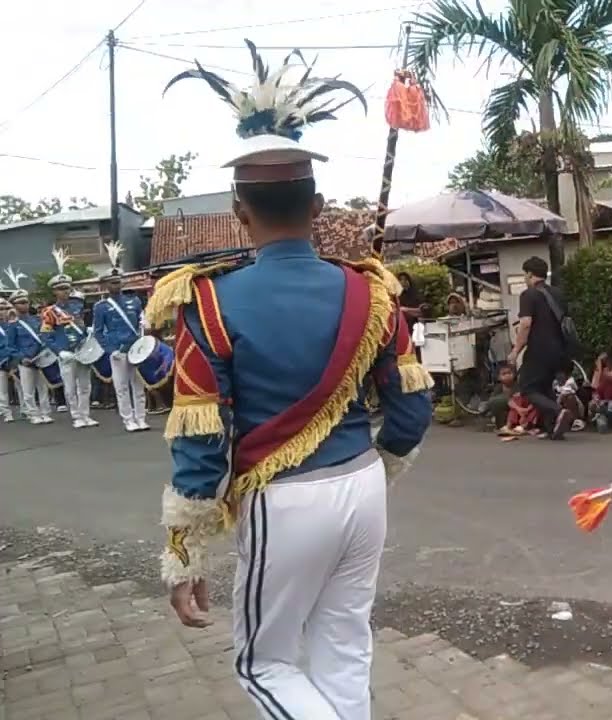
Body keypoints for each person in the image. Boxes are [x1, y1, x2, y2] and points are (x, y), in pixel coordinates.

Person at [153, 47, 432, 720]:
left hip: (283, 503)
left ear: (239, 212)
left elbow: (201, 443)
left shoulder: (209, 302)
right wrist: (379, 464)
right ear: (318, 206)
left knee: (264, 664)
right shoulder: (371, 290)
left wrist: (184, 551)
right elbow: (412, 408)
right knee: (344, 646)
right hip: (364, 485)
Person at [509, 256, 573, 439]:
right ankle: (553, 427)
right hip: (560, 349)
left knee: (528, 388)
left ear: (530, 274)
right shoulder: (558, 294)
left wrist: (516, 350)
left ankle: (558, 411)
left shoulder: (529, 295)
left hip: (539, 349)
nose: (524, 278)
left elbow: (526, 324)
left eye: (524, 274)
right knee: (545, 387)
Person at [41, 259, 97, 428]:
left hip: (82, 350)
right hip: (66, 352)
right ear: (54, 291)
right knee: (70, 386)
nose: (65, 291)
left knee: (85, 385)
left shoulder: (77, 306)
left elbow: (82, 324)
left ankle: (86, 414)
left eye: (67, 288)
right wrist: (59, 351)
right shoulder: (50, 312)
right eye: (61, 289)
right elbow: (45, 336)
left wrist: (88, 331)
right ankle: (76, 415)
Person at [94, 265, 148, 431]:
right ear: (106, 285)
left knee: (138, 384)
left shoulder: (134, 301)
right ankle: (128, 419)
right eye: (112, 283)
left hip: (135, 348)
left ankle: (141, 418)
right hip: (118, 350)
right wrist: (110, 350)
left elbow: (141, 323)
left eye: (118, 282)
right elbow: (98, 332)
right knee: (122, 386)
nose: (115, 285)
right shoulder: (101, 307)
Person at [8, 291, 54, 425]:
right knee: (28, 389)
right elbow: (11, 346)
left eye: (26, 302)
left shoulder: (37, 320)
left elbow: (45, 336)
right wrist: (21, 358)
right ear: (14, 305)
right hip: (26, 360)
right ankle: (33, 413)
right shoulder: (13, 325)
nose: (24, 305)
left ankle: (45, 412)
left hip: (40, 357)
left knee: (43, 387)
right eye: (20, 303)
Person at [483, 362, 517, 430]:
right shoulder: (498, 387)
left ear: (514, 374)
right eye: (504, 374)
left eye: (509, 373)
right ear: (499, 377)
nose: (507, 375)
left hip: (515, 409)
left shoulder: (516, 386)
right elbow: (492, 399)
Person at [0, 297, 14, 423]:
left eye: (5, 309)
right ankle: (6, 412)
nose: (3, 311)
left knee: (22, 387)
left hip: (14, 360)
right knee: (2, 390)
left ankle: (26, 409)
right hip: (1, 361)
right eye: (1, 309)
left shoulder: (12, 325)